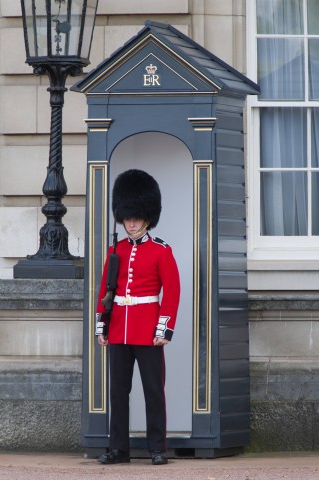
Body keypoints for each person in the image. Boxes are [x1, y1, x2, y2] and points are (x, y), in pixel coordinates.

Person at [95, 169, 180, 466]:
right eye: (127, 217)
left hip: (147, 329)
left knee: (153, 392)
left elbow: (171, 293)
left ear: (147, 217)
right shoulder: (115, 250)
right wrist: (101, 326)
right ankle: (119, 449)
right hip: (119, 329)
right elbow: (106, 289)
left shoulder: (161, 251)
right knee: (118, 393)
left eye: (136, 217)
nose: (131, 223)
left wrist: (163, 329)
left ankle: (157, 447)